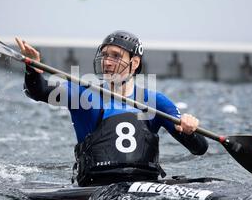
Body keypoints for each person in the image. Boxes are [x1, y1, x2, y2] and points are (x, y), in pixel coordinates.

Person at [15, 31, 208, 187]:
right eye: (105, 55)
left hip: (144, 186)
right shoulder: (84, 94)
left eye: (116, 56)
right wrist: (32, 69)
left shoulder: (155, 101)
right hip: (95, 185)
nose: (107, 62)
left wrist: (190, 131)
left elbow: (199, 148)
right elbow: (38, 91)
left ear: (135, 63)